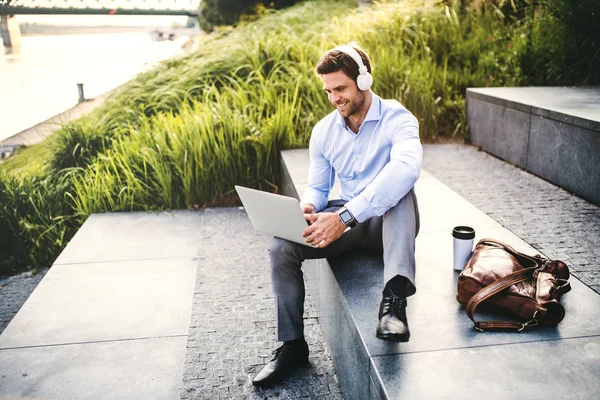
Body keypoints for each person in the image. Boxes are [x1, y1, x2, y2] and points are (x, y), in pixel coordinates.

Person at [252, 43, 421, 387]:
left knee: (401, 190)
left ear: (364, 79)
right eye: (328, 91)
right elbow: (317, 186)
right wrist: (310, 206)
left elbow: (406, 168)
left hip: (386, 223)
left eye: (340, 89)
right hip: (346, 219)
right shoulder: (324, 131)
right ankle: (293, 346)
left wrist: (343, 217)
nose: (334, 98)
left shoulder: (397, 118)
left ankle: (393, 305)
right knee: (281, 248)